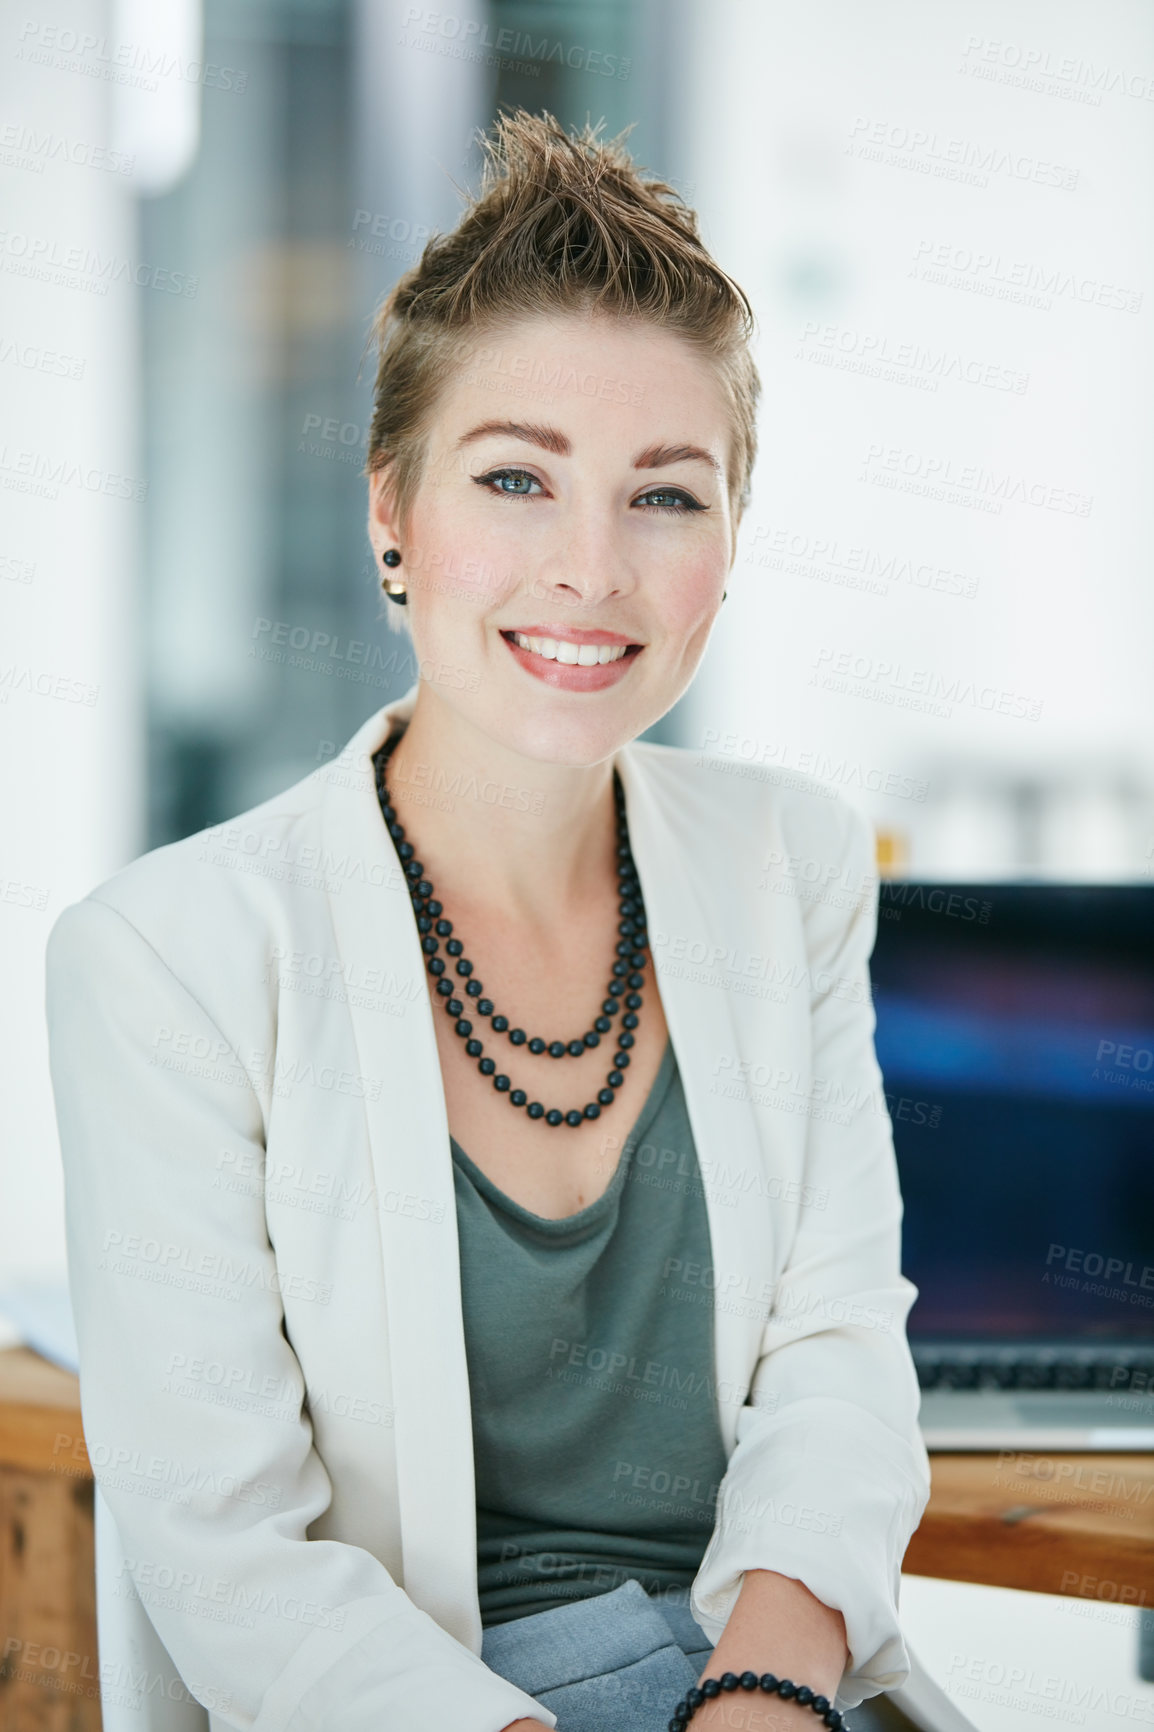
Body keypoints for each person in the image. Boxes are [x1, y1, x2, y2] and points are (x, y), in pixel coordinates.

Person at [45, 110, 931, 1732]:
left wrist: (758, 1696)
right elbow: (230, 1554)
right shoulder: (168, 955)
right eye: (515, 478)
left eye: (665, 496)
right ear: (393, 514)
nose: (588, 569)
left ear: (730, 543)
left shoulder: (786, 862)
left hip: (766, 1685)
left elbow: (836, 1361)